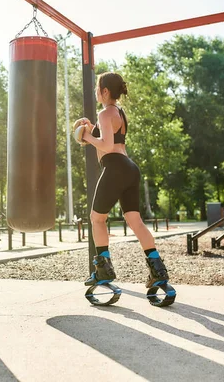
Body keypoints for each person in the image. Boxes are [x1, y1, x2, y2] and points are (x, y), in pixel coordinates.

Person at [77, 72, 170, 289]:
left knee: (97, 219)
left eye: (97, 87)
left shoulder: (104, 112)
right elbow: (112, 138)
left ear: (105, 91)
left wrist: (87, 137)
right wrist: (93, 129)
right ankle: (158, 270)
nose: (95, 91)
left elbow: (107, 146)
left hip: (115, 167)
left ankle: (103, 270)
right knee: (135, 221)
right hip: (130, 168)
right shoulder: (119, 112)